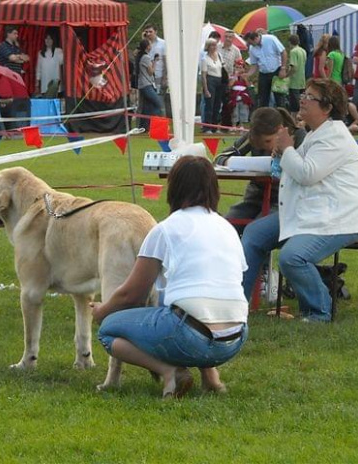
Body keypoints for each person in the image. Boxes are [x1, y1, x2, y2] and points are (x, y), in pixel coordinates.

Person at [91, 155, 249, 399]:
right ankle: (212, 378)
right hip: (235, 338)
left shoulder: (166, 229)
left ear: (173, 188)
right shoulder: (226, 227)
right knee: (193, 304)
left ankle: (169, 372)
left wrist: (103, 311)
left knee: (109, 330)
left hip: (189, 336)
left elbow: (131, 295)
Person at [241, 79, 358, 323]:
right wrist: (282, 153)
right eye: (304, 94)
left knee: (292, 258)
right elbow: (294, 173)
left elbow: (307, 174)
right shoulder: (316, 135)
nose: (302, 99)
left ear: (327, 108)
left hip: (338, 219)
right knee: (255, 233)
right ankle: (238, 303)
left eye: (309, 97)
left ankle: (320, 311)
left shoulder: (334, 138)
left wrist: (288, 150)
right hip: (310, 213)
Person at [215, 107, 306, 234]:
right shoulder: (253, 136)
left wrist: (285, 153)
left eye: (268, 141)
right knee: (225, 228)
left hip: (284, 201)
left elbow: (303, 171)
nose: (266, 146)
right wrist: (236, 162)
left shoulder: (299, 136)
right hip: (254, 198)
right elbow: (220, 158)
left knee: (256, 231)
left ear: (280, 129)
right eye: (259, 144)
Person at [244, 31, 287, 108]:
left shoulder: (271, 39)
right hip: (263, 73)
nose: (250, 45)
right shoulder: (252, 48)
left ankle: (282, 117)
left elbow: (283, 52)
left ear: (256, 38)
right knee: (262, 98)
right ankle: (264, 117)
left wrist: (283, 68)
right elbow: (254, 64)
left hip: (276, 70)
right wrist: (248, 74)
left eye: (251, 43)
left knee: (279, 98)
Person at [135, 39, 162, 132]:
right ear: (147, 47)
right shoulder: (146, 57)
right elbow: (151, 72)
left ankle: (143, 127)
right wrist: (155, 61)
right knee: (158, 104)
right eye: (150, 44)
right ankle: (154, 126)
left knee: (146, 108)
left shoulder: (141, 56)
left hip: (143, 84)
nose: (151, 46)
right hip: (147, 85)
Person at [219, 30, 243, 127]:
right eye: (227, 36)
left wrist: (235, 77)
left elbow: (239, 64)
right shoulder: (217, 47)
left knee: (229, 102)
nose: (228, 39)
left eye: (230, 37)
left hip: (230, 78)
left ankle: (229, 123)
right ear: (223, 37)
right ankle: (218, 122)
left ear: (233, 39)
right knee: (218, 101)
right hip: (218, 76)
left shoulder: (236, 50)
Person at [201, 39, 225, 133]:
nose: (214, 47)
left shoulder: (219, 56)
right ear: (208, 47)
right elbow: (203, 75)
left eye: (215, 45)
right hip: (210, 80)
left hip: (219, 80)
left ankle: (215, 126)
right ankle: (207, 127)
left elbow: (223, 68)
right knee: (209, 105)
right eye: (212, 45)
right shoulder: (205, 59)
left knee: (217, 105)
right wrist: (206, 89)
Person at [142, 24, 167, 98]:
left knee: (159, 98)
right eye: (146, 32)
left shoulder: (163, 43)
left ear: (155, 32)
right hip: (147, 76)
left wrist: (164, 77)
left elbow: (166, 61)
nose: (148, 34)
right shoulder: (144, 44)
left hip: (158, 75)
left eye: (150, 31)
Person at [227, 59, 252, 127]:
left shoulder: (245, 76)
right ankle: (234, 125)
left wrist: (245, 78)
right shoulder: (232, 76)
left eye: (240, 67)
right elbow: (230, 85)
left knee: (243, 111)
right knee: (234, 112)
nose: (238, 69)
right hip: (235, 97)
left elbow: (248, 85)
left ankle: (242, 125)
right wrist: (235, 76)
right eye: (237, 67)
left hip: (243, 97)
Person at [287, 34, 307, 120]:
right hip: (302, 79)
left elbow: (294, 67)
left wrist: (287, 75)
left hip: (294, 81)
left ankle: (294, 121)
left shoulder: (293, 52)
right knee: (301, 101)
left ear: (289, 42)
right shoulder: (303, 51)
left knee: (294, 106)